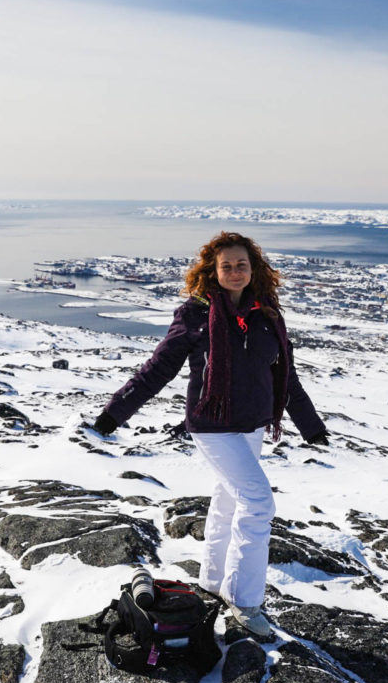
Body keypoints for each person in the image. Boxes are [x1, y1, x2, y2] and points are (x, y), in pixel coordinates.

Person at [92, 232, 328, 637]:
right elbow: (158, 368)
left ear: (254, 270)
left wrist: (311, 426)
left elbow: (284, 376)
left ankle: (213, 583)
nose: (235, 272)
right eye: (227, 266)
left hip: (252, 425)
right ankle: (246, 602)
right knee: (257, 504)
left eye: (242, 265)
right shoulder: (196, 314)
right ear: (212, 271)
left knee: (228, 503)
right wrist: (114, 413)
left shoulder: (266, 313)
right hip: (213, 425)